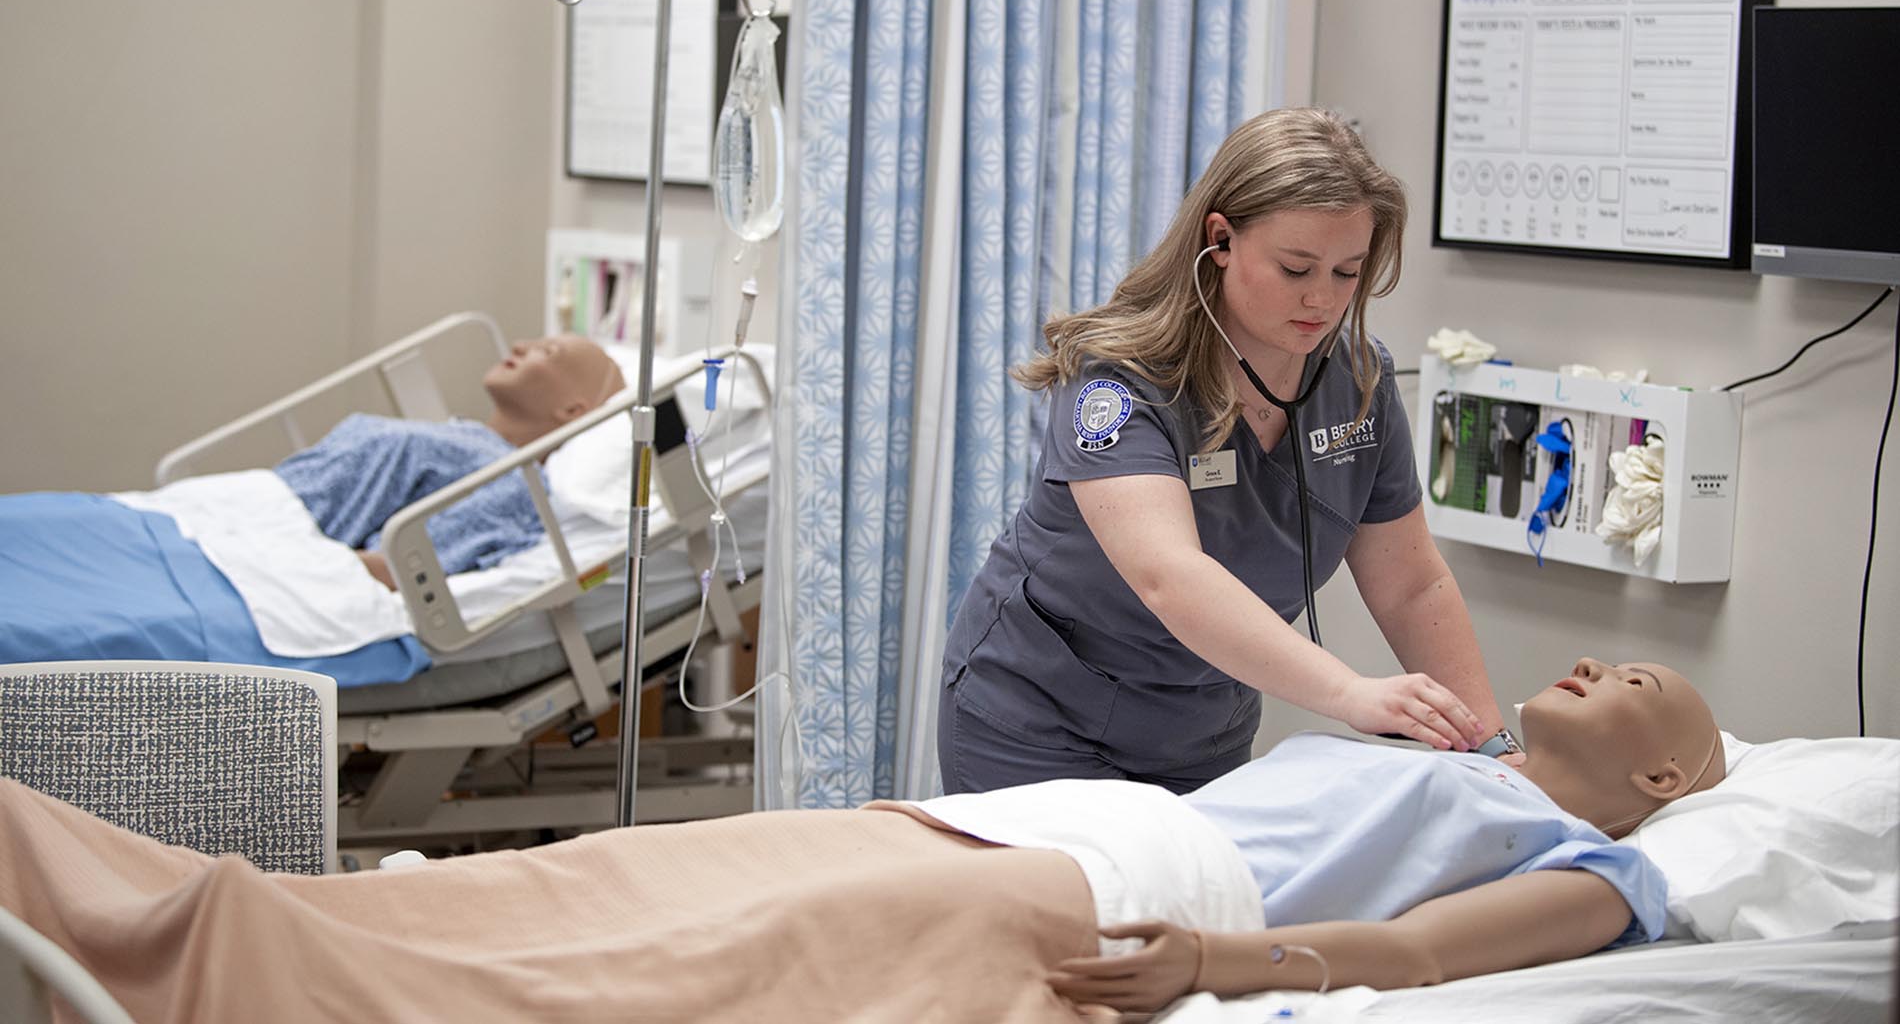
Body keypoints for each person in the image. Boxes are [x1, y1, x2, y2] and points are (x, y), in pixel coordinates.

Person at [0, 657, 1722, 1021]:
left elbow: (1420, 957)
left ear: (1661, 780)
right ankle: (189, 910)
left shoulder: (1606, 864)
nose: (1598, 662)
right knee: (602, 878)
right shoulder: (1433, 744)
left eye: (1644, 679)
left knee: (692, 967)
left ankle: (242, 974)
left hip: (1123, 899)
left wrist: (1222, 967)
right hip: (1024, 819)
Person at [940, 107, 1510, 796]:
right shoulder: (1121, 379)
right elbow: (1169, 577)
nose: (1321, 299)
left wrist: (1492, 747)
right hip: (1038, 720)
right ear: (1220, 240)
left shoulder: (1358, 383)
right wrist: (1351, 693)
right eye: (1296, 267)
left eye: (1346, 272)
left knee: (1189, 905)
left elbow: (1411, 584)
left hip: (1199, 731)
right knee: (1063, 904)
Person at [274, 333, 625, 586]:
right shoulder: (463, 437)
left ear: (572, 410)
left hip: (271, 552)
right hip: (253, 513)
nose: (519, 345)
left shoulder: (513, 483)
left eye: (547, 352)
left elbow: (400, 569)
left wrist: (276, 563)